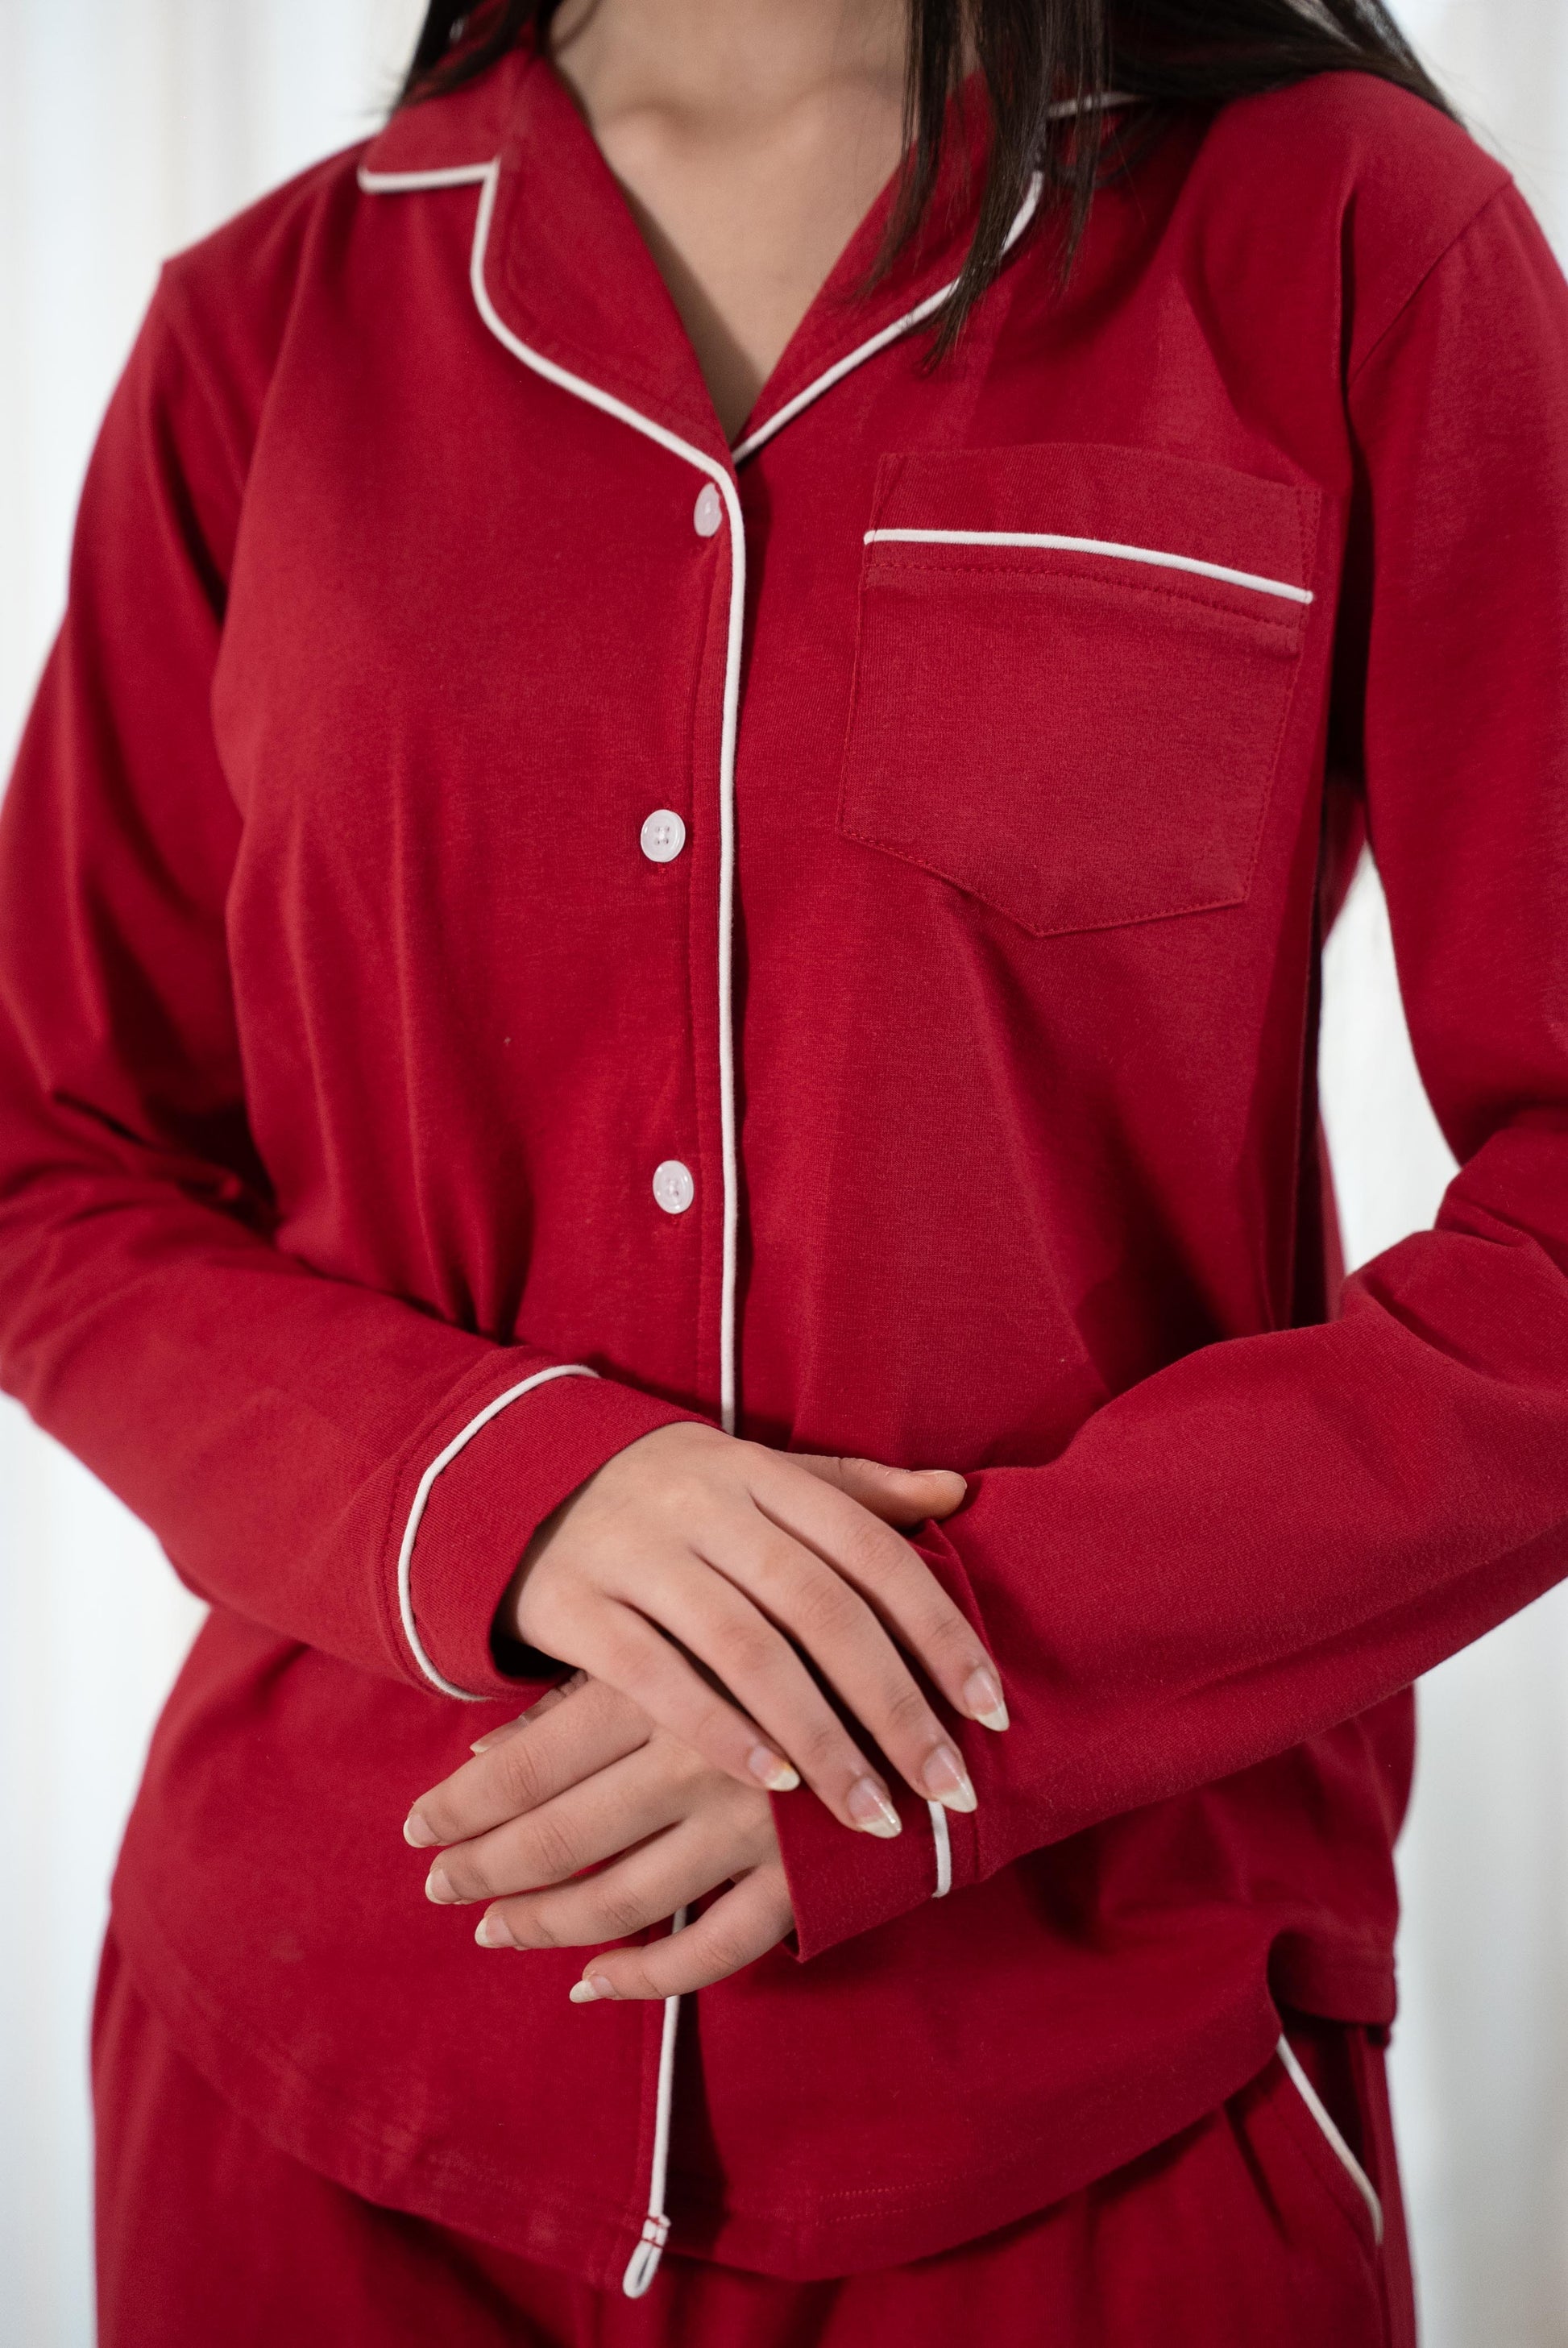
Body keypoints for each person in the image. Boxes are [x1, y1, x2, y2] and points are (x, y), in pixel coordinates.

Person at [2, 0, 1566, 2338]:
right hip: (316, 2105)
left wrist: (955, 1681)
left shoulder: (1342, 235)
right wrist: (508, 1490)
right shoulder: (267, 324)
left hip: (1088, 2111)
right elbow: (53, 1155)